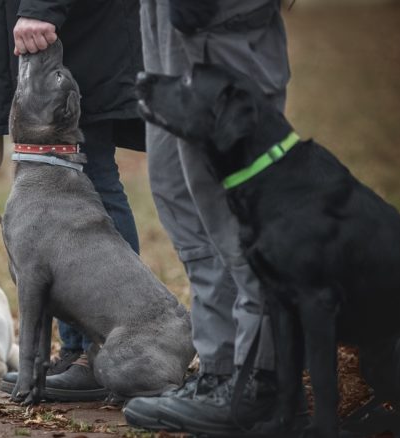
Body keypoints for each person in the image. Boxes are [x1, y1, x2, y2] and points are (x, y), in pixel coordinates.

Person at [0, 0, 145, 401]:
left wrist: (42, 7)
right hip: (42, 21)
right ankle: (76, 351)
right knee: (76, 184)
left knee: (92, 175)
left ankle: (107, 351)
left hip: (68, 22)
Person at [123, 0, 292, 435]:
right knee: (178, 189)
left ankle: (260, 381)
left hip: (220, 19)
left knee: (234, 209)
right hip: (165, 19)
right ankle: (219, 369)